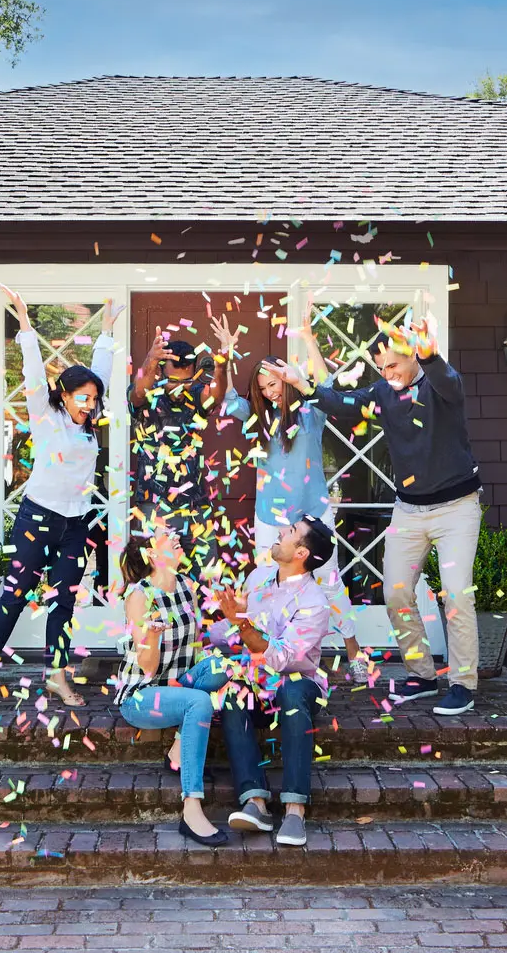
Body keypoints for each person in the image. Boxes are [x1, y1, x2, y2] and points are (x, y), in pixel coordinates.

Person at [264, 313, 482, 716]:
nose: (388, 374)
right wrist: (302, 384)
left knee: (454, 594)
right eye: (381, 368)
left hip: (456, 508)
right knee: (396, 591)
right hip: (409, 509)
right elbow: (343, 404)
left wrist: (430, 352)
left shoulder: (440, 385)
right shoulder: (383, 392)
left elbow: (448, 380)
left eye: (394, 365)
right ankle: (422, 673)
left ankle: (463, 683)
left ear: (414, 356)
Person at [0, 285, 124, 708]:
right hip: (38, 517)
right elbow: (34, 375)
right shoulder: (46, 415)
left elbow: (102, 372)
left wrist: (107, 330)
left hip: (76, 523)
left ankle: (56, 675)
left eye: (94, 399)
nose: (91, 404)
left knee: (64, 601)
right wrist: (23, 321)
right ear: (64, 395)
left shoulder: (88, 418)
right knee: (16, 593)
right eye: (84, 398)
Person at [211, 308, 368, 684]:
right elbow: (223, 396)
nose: (270, 390)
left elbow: (326, 383)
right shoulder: (255, 417)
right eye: (263, 387)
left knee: (330, 583)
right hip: (272, 521)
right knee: (266, 588)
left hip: (313, 514)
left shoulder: (313, 411)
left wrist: (308, 334)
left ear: (287, 377)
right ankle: (273, 656)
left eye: (275, 381)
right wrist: (225, 356)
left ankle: (354, 651)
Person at [208, 516, 333, 847]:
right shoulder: (259, 577)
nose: (280, 533)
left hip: (299, 685)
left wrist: (243, 626)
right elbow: (227, 637)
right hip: (255, 683)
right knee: (233, 693)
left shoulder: (314, 603)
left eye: (290, 532)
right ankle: (256, 802)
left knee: (292, 692)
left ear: (302, 553)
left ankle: (295, 809)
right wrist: (227, 620)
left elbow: (284, 658)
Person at [115, 526, 229, 846]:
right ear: (152, 553)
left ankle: (178, 749)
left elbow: (194, 650)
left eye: (176, 535)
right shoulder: (139, 596)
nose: (177, 538)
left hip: (178, 684)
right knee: (199, 704)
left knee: (226, 667)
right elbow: (148, 667)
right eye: (167, 536)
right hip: (141, 695)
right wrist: (150, 636)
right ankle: (191, 809)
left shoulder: (186, 586)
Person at [128, 327, 229, 582]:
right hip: (153, 506)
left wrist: (222, 366)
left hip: (195, 505)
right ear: (162, 370)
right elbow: (137, 394)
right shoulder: (148, 393)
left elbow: (215, 395)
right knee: (152, 577)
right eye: (173, 380)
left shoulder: (196, 394)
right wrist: (151, 358)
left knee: (207, 579)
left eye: (185, 381)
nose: (178, 388)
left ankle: (195, 623)